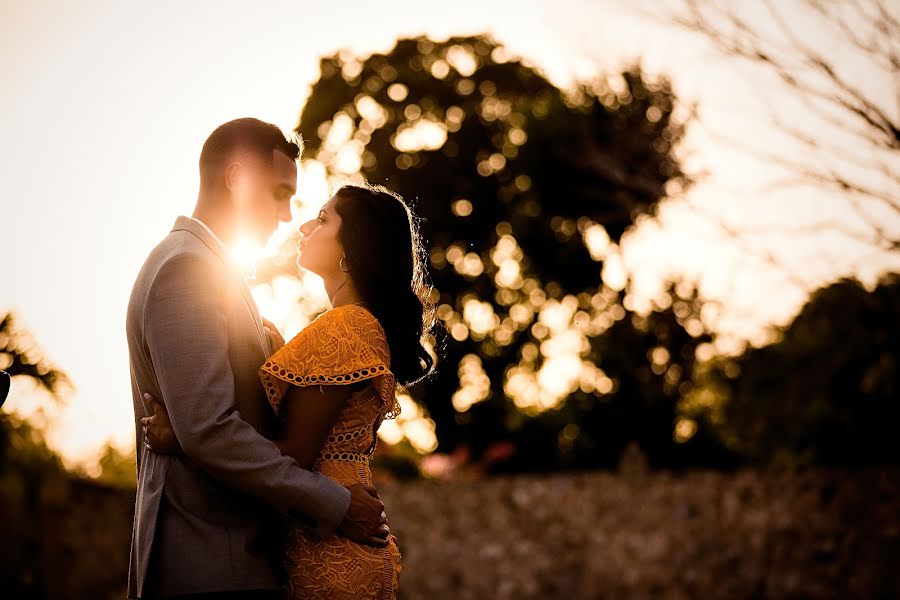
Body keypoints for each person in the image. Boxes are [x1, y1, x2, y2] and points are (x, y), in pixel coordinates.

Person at [126, 118, 391, 599]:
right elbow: (209, 429)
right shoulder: (187, 268)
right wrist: (333, 503)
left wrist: (183, 435)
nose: (289, 215)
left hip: (236, 556)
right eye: (279, 193)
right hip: (209, 559)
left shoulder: (214, 270)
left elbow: (213, 425)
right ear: (237, 180)